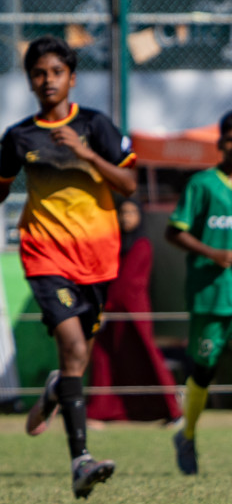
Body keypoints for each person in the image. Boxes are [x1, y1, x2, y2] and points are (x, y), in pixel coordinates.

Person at [0, 36, 137, 498]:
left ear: (71, 78)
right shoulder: (19, 136)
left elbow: (128, 184)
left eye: (56, 72)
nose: (47, 80)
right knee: (72, 345)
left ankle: (56, 388)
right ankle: (80, 461)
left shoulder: (97, 126)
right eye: (39, 73)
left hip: (97, 259)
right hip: (44, 252)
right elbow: (0, 188)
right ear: (30, 80)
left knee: (77, 359)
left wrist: (86, 153)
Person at [165, 110, 232, 476]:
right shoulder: (203, 185)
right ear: (222, 142)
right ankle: (187, 434)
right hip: (212, 295)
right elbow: (174, 232)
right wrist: (214, 253)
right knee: (204, 372)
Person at [86, 199, 179, 425]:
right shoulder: (112, 243)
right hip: (111, 311)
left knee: (146, 355)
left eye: (131, 213)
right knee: (104, 358)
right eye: (122, 213)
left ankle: (171, 410)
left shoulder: (142, 244)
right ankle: (102, 411)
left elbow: (129, 283)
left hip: (133, 312)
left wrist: (107, 307)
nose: (126, 217)